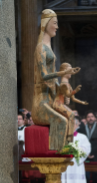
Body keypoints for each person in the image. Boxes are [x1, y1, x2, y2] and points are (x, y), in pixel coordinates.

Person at [31, 9, 80, 151]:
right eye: (54, 23)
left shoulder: (48, 48)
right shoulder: (41, 48)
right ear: (46, 24)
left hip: (51, 98)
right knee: (61, 120)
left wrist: (63, 92)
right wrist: (62, 73)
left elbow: (53, 80)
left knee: (70, 115)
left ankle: (68, 147)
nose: (57, 27)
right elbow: (44, 76)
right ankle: (55, 153)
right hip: (42, 102)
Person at [61, 117, 91, 183]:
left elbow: (86, 150)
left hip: (76, 165)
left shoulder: (82, 137)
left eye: (73, 123)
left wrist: (76, 151)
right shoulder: (62, 136)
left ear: (78, 125)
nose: (71, 125)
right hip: (65, 164)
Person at [80, 110, 97, 183]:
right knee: (84, 177)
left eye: (92, 116)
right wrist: (87, 153)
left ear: (95, 118)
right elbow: (80, 143)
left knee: (96, 177)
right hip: (84, 156)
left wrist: (91, 152)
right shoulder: (81, 129)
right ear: (86, 119)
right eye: (88, 117)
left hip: (96, 155)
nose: (90, 118)